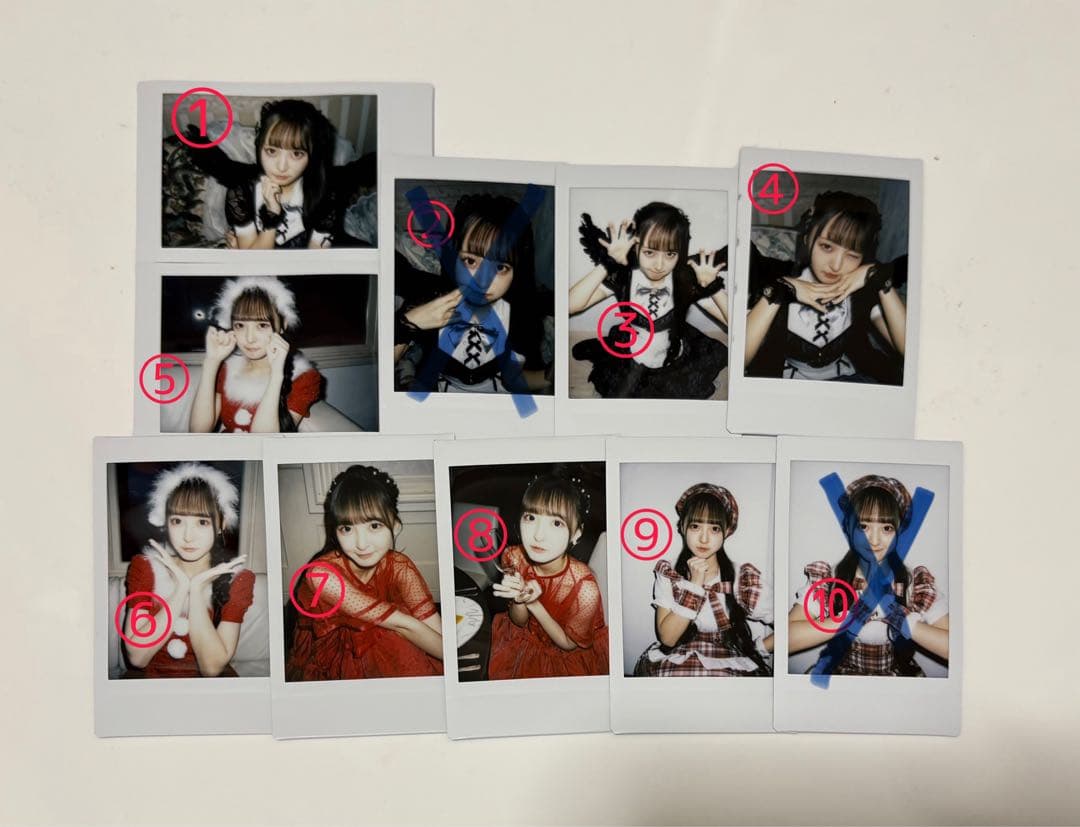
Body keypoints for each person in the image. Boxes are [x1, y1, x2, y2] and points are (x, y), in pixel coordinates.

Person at [285, 465, 443, 681]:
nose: (361, 544)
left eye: (374, 526)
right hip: (332, 649)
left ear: (395, 526)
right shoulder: (321, 575)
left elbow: (434, 628)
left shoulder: (399, 566)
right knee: (389, 635)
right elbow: (404, 624)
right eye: (347, 529)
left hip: (386, 626)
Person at [788, 474, 950, 676]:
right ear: (849, 528)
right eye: (863, 526)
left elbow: (956, 648)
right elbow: (786, 638)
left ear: (899, 533)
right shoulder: (829, 580)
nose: (874, 540)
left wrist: (904, 621)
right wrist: (846, 620)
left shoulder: (913, 584)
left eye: (887, 528)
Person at [393, 192, 553, 394]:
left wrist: (549, 377)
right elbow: (378, 371)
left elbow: (513, 379)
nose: (482, 282)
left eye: (500, 268)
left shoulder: (520, 312)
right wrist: (410, 322)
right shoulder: (430, 298)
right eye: (470, 261)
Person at [568, 202, 729, 399]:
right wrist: (607, 264)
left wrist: (714, 287)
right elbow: (569, 305)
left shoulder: (685, 281)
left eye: (670, 254)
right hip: (631, 355)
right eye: (649, 252)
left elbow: (736, 324)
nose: (659, 265)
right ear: (635, 246)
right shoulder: (624, 277)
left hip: (673, 355)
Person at [744, 190, 907, 383]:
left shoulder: (862, 292)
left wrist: (879, 278)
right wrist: (781, 290)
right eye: (827, 247)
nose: (836, 266)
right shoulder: (775, 275)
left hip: (851, 381)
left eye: (852, 255)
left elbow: (909, 349)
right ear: (807, 238)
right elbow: (741, 357)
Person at [183, 98, 376, 249]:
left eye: (297, 154)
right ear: (259, 148)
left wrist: (245, 252)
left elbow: (314, 266)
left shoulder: (326, 190)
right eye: (271, 151)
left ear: (311, 157)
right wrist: (271, 217)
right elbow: (224, 168)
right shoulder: (243, 189)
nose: (281, 167)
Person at [121, 463, 254, 678]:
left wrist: (197, 589)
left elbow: (211, 669)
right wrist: (182, 587)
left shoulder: (237, 580)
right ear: (165, 522)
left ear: (221, 524)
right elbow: (138, 657)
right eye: (177, 521)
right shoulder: (146, 568)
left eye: (202, 522)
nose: (187, 536)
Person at [634, 483, 773, 677]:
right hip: (677, 657)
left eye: (714, 528)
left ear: (726, 531)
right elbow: (668, 638)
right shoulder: (670, 573)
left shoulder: (742, 578)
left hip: (730, 660)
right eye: (695, 526)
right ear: (682, 527)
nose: (704, 539)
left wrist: (762, 648)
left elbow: (786, 622)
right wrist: (694, 586)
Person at [488, 473, 608, 679]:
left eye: (556, 523)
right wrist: (520, 598)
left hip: (565, 657)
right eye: (531, 517)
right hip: (525, 640)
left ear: (576, 534)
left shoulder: (585, 588)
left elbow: (568, 644)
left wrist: (534, 604)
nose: (538, 535)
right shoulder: (514, 557)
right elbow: (519, 623)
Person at [188, 276, 322, 433]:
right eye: (240, 325)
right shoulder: (227, 370)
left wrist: (276, 375)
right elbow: (198, 432)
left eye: (262, 325)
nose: (250, 338)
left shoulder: (303, 378)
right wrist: (212, 362)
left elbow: (265, 442)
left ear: (283, 325)